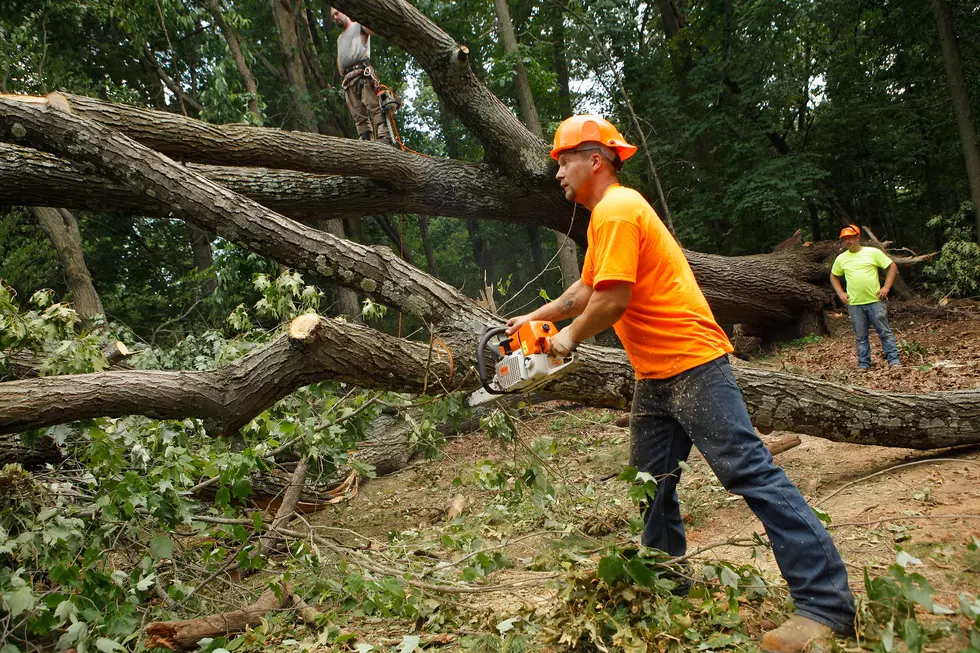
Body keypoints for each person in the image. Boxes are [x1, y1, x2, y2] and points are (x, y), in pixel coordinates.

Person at [506, 115, 856, 653]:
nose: (557, 172)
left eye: (563, 160)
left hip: (691, 362)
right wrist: (534, 320)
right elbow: (584, 288)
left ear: (594, 161)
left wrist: (568, 338)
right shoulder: (606, 217)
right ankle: (667, 581)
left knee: (751, 474)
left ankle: (826, 605)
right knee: (651, 485)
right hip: (655, 374)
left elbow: (611, 300)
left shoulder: (619, 210)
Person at [830, 225, 901, 370]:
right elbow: (833, 276)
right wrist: (841, 293)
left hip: (875, 301)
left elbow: (892, 266)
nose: (848, 241)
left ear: (857, 237)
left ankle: (894, 361)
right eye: (845, 239)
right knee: (861, 337)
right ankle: (864, 365)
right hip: (855, 304)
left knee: (884, 332)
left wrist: (886, 287)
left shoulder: (872, 252)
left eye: (850, 238)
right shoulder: (841, 259)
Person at [330, 7, 394, 145]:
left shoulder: (359, 26)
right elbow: (340, 58)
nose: (335, 17)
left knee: (374, 106)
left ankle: (384, 136)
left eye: (337, 13)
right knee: (358, 115)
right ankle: (366, 141)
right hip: (348, 80)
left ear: (345, 11)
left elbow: (377, 29)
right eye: (332, 16)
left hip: (362, 74)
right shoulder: (340, 38)